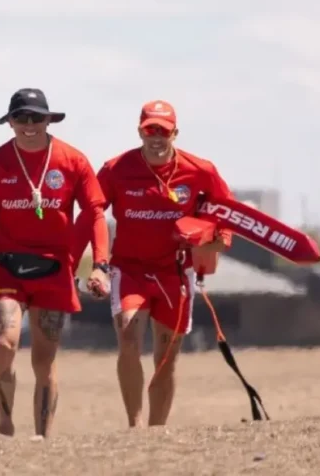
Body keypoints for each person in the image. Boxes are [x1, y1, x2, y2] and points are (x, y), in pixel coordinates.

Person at [72, 100, 234, 428]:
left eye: (163, 131)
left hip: (175, 272)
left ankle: (156, 430)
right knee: (129, 338)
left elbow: (227, 213)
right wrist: (76, 263)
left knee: (166, 356)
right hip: (129, 270)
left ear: (175, 133)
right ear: (139, 132)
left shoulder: (200, 170)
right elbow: (91, 215)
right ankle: (135, 426)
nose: (156, 137)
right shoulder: (116, 169)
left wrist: (216, 241)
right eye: (150, 130)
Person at [0, 88, 110, 438]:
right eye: (21, 118)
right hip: (6, 266)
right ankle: (5, 419)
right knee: (5, 342)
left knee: (44, 360)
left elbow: (95, 213)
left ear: (48, 120)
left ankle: (42, 436)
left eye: (36, 117)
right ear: (10, 122)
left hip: (54, 268)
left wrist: (100, 265)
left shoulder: (72, 161)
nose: (29, 124)